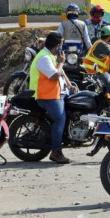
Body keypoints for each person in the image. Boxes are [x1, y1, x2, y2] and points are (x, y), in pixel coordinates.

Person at [28, 32, 74, 164]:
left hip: (56, 92)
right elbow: (54, 75)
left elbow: (62, 73)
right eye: (61, 45)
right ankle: (56, 151)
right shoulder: (44, 58)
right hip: (45, 95)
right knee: (60, 118)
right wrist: (61, 63)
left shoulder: (51, 55)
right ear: (58, 46)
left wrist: (70, 85)